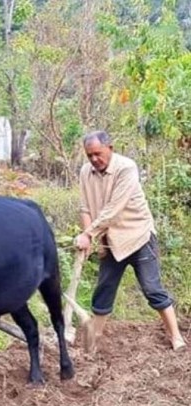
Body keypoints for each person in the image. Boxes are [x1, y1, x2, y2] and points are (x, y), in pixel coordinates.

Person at [75, 130, 186, 352]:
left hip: (138, 237)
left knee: (152, 289)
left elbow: (114, 210)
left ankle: (176, 337)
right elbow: (85, 207)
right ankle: (93, 342)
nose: (94, 159)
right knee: (104, 289)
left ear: (110, 148)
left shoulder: (126, 168)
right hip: (110, 241)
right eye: (89, 155)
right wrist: (91, 237)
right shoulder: (86, 172)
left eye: (98, 153)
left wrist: (88, 234)